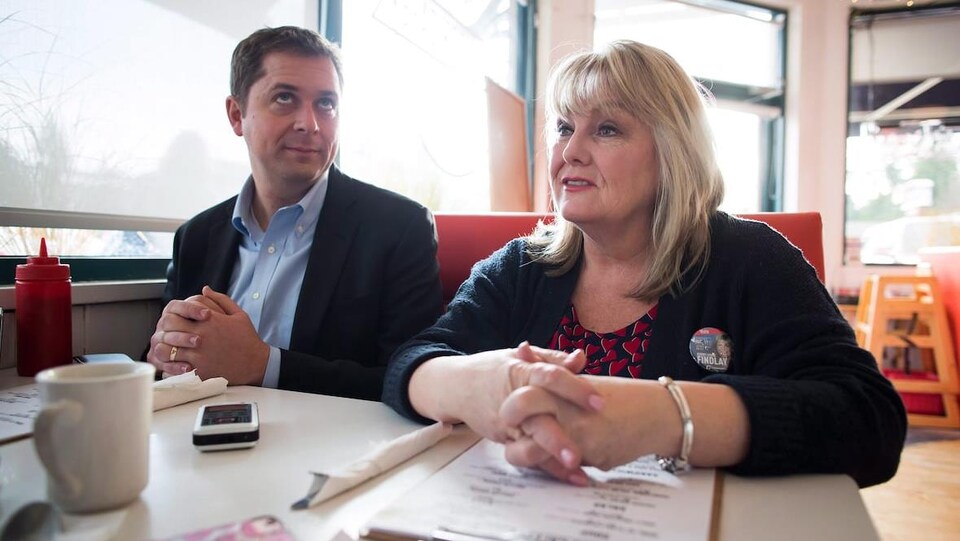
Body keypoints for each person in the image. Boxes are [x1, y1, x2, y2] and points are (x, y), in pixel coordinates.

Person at [382, 40, 905, 487]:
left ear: (674, 151)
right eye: (563, 127)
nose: (571, 152)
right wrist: (474, 382)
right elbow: (413, 361)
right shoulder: (523, 265)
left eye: (606, 129)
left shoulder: (752, 260)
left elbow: (869, 419)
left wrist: (665, 417)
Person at [145, 26, 442, 400]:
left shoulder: (399, 228)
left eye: (326, 104)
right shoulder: (196, 236)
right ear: (237, 115)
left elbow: (414, 379)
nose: (310, 123)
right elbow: (162, 361)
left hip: (332, 449)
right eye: (285, 98)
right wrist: (164, 355)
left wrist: (263, 364)